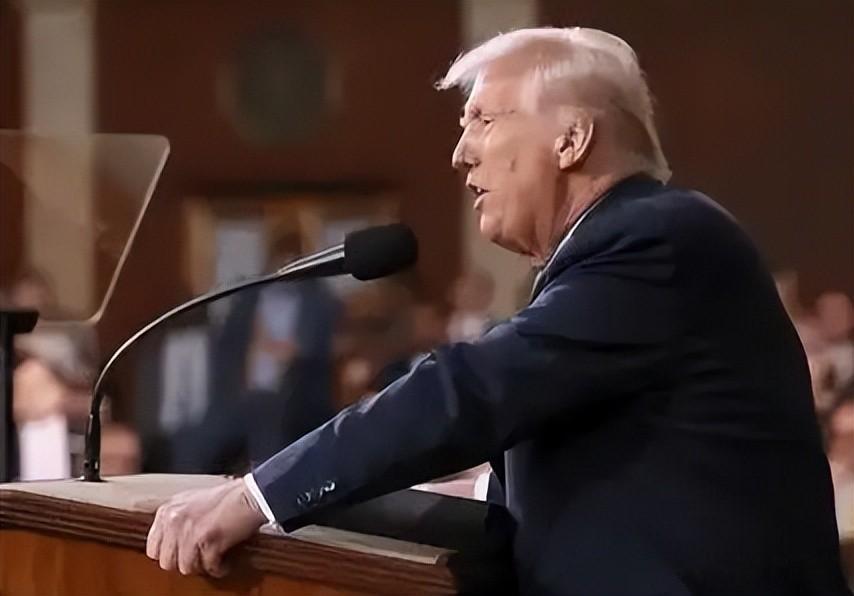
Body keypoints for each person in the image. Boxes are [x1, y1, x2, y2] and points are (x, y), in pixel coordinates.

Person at [146, 28, 850, 594]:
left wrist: (261, 496)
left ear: (571, 140)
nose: (460, 155)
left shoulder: (658, 240)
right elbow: (612, 457)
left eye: (481, 119)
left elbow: (472, 388)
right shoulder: (618, 251)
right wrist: (466, 485)